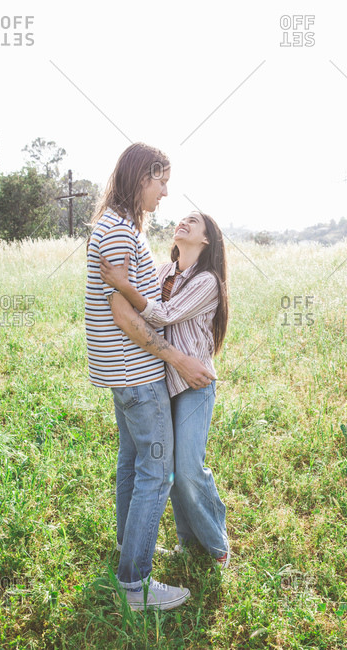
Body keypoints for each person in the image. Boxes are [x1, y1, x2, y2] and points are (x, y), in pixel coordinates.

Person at [85, 143, 215, 611]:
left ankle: (128, 549)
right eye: (160, 181)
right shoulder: (119, 232)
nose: (164, 192)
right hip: (137, 374)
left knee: (132, 463)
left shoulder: (116, 228)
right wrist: (178, 360)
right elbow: (122, 312)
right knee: (156, 474)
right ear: (141, 178)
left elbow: (133, 299)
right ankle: (135, 585)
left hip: (123, 373)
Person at [99, 210, 230, 568]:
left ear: (206, 240)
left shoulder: (207, 281)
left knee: (188, 468)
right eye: (182, 220)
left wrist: (123, 285)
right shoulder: (163, 272)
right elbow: (145, 314)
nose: (183, 223)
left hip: (193, 386)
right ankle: (190, 544)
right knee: (168, 471)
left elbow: (164, 314)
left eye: (194, 222)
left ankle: (216, 543)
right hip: (162, 380)